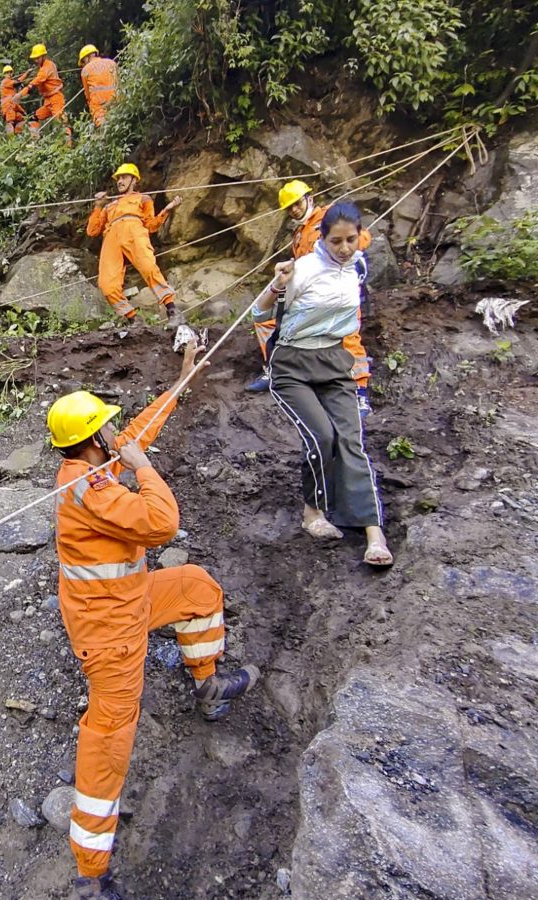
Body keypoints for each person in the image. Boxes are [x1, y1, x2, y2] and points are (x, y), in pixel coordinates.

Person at [48, 340, 259, 900]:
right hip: (110, 636)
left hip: (132, 599)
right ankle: (90, 874)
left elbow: (134, 434)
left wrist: (180, 382)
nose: (114, 438)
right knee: (109, 740)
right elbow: (162, 523)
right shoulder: (92, 490)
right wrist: (144, 470)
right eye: (107, 432)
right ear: (92, 439)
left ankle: (209, 688)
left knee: (197, 587)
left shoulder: (86, 463)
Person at [251, 202, 393, 566]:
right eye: (336, 241)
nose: (344, 248)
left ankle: (372, 530)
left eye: (351, 239)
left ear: (360, 235)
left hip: (333, 361)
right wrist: (276, 285)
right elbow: (260, 313)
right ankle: (312, 512)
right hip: (292, 364)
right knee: (322, 437)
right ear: (322, 238)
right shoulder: (304, 269)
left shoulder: (357, 266)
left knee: (351, 440)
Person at [248, 179, 373, 407]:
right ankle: (274, 370)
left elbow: (362, 238)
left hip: (337, 290)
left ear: (309, 198)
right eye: (290, 208)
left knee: (346, 336)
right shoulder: (299, 234)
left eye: (297, 203)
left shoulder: (330, 218)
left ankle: (360, 393)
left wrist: (337, 248)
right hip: (308, 293)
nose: (295, 209)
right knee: (268, 321)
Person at [87, 162, 182, 323]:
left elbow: (151, 225)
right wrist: (98, 206)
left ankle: (172, 310)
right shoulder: (110, 205)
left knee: (148, 267)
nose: (119, 181)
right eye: (118, 178)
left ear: (134, 180)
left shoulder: (143, 199)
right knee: (106, 285)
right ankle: (133, 318)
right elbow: (92, 231)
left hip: (134, 231)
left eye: (124, 177)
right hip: (111, 237)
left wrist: (167, 209)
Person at [17, 43, 72, 143]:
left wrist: (21, 94)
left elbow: (37, 81)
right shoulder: (42, 67)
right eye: (35, 58)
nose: (36, 60)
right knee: (33, 118)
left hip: (56, 99)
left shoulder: (47, 67)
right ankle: (36, 142)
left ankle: (68, 148)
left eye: (37, 58)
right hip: (48, 102)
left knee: (61, 122)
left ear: (43, 56)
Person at [78, 45, 117, 126]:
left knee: (103, 130)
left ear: (86, 57)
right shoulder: (112, 63)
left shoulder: (85, 70)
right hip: (116, 102)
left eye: (83, 61)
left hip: (99, 108)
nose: (83, 64)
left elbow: (88, 96)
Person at [0, 65, 26, 136]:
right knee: (10, 121)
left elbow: (17, 82)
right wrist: (26, 74)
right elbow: (18, 82)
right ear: (4, 74)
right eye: (7, 73)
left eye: (10, 72)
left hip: (13, 105)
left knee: (21, 118)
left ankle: (18, 136)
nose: (10, 74)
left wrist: (23, 112)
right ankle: (11, 141)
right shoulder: (5, 81)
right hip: (8, 106)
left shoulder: (11, 84)